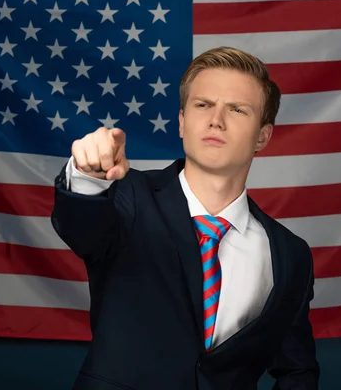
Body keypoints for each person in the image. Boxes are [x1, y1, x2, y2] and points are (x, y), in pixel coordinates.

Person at [51, 46, 320, 390]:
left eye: (237, 109)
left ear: (263, 136)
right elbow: (81, 228)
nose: (216, 120)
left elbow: (297, 369)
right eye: (203, 105)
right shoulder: (126, 196)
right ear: (181, 122)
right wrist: (87, 176)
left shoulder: (290, 254)